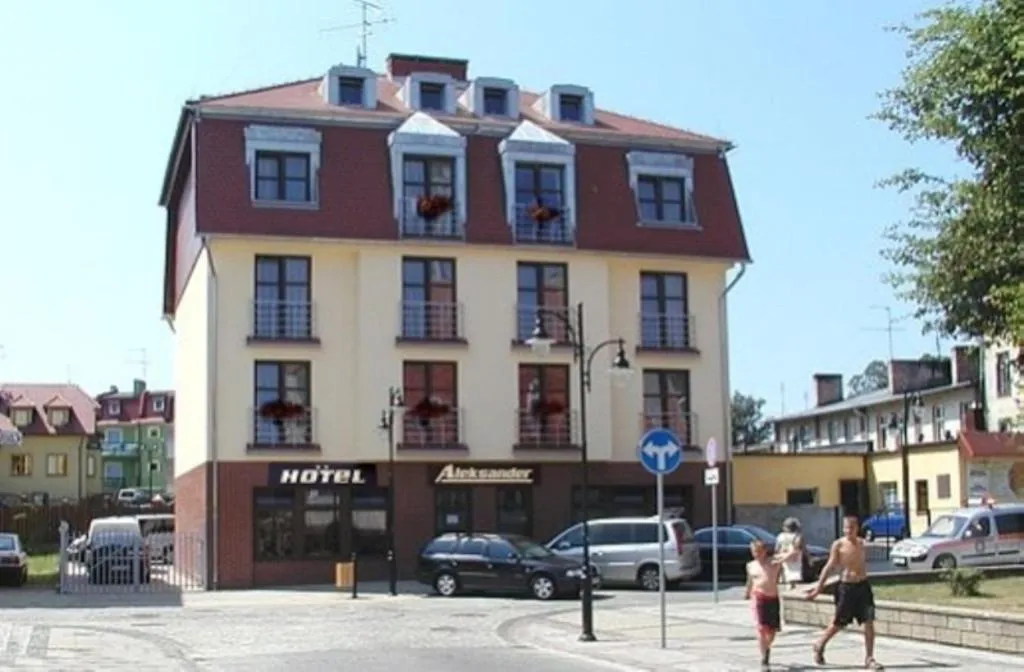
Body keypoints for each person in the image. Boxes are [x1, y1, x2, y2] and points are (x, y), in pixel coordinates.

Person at [806, 515, 883, 670]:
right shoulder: (839, 545)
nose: (849, 530)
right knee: (839, 623)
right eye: (846, 527)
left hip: (863, 586)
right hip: (846, 588)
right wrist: (818, 588)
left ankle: (869, 658)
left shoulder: (862, 544)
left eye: (852, 527)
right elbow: (828, 567)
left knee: (869, 621)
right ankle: (820, 644)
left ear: (857, 528)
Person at [745, 539, 798, 671]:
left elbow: (793, 554)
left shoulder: (773, 562)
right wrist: (747, 592)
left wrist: (783, 555)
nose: (756, 554)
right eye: (753, 552)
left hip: (772, 598)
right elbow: (750, 580)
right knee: (762, 628)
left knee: (772, 630)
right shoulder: (751, 565)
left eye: (758, 551)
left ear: (764, 551)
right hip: (759, 597)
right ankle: (764, 656)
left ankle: (767, 647)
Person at [775, 517, 805, 588]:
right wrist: (809, 558)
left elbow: (777, 549)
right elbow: (802, 548)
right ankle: (792, 588)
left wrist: (777, 557)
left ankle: (788, 588)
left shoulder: (780, 536)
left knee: (786, 574)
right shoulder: (798, 536)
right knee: (793, 575)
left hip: (783, 557)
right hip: (794, 559)